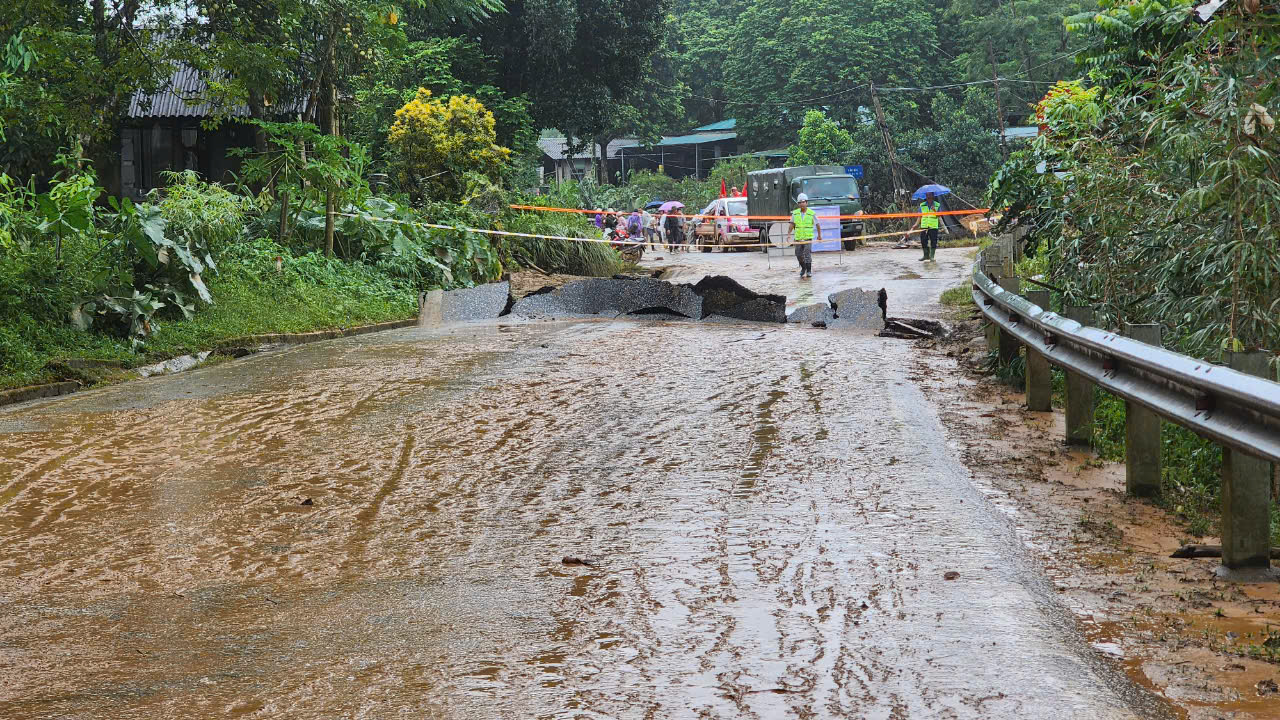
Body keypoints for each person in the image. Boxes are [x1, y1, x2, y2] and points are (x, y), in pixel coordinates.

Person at [789, 193, 820, 278]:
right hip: (798, 238)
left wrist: (819, 235)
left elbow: (817, 224)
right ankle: (803, 268)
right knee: (798, 254)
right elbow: (791, 224)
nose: (802, 204)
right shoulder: (795, 214)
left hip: (807, 238)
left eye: (803, 202)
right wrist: (788, 234)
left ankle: (809, 271)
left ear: (806, 203)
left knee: (807, 254)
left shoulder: (811, 213)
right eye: (800, 202)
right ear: (798, 204)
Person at [909, 192, 941, 261]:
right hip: (924, 226)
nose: (928, 196)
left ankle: (932, 256)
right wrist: (916, 224)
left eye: (930, 195)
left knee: (933, 241)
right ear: (925, 196)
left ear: (933, 195)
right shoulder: (922, 205)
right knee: (923, 241)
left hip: (933, 226)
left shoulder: (937, 205)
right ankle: (926, 255)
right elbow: (919, 216)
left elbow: (939, 216)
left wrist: (934, 210)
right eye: (927, 195)